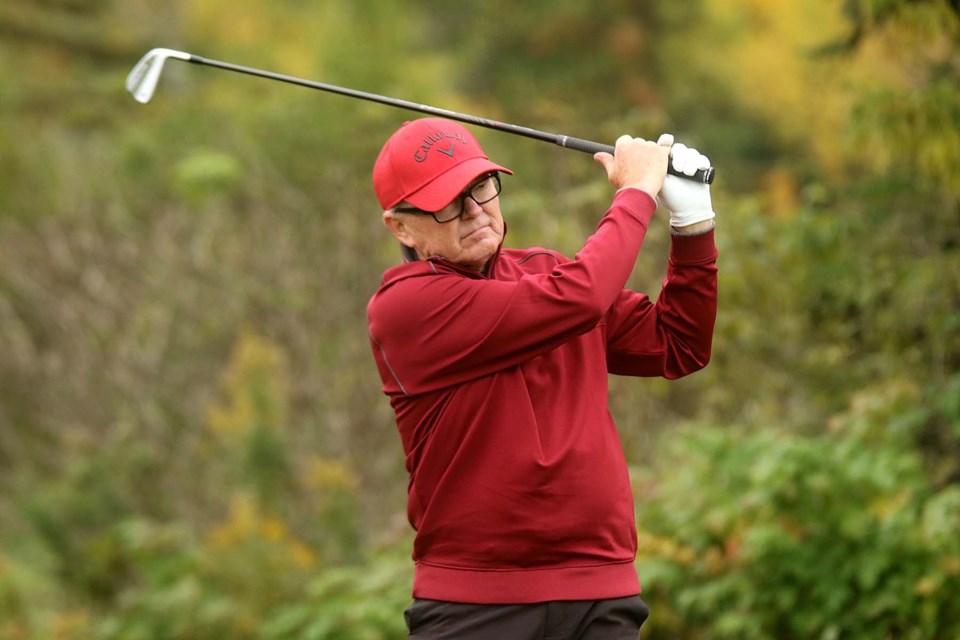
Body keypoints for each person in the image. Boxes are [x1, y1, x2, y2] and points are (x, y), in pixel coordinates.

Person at [367, 117, 718, 639]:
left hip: (601, 593)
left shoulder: (546, 273)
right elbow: (581, 297)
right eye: (447, 201)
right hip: (477, 607)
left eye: (481, 187)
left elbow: (679, 343)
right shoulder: (406, 307)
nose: (475, 211)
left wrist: (692, 222)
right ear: (401, 226)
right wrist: (638, 191)